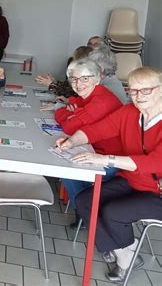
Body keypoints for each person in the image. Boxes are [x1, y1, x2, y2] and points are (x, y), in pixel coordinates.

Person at [57, 66, 162, 282]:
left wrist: (106, 159)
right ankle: (128, 250)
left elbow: (154, 161)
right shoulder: (129, 112)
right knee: (85, 200)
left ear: (160, 90)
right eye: (133, 91)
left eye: (145, 90)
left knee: (113, 211)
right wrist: (71, 142)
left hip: (157, 191)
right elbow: (98, 130)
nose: (138, 96)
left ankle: (124, 260)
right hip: (131, 181)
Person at [54, 59, 123, 227]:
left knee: (67, 167)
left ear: (97, 79)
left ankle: (87, 212)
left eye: (85, 78)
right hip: (94, 149)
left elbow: (69, 126)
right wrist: (71, 112)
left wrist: (70, 114)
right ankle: (86, 210)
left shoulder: (101, 101)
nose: (78, 83)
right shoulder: (91, 94)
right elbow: (70, 105)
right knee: (64, 164)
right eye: (74, 79)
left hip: (112, 159)